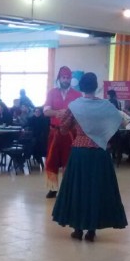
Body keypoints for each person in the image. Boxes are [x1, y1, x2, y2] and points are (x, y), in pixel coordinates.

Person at [52, 73, 127, 241]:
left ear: (81, 87)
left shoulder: (75, 106)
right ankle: (92, 230)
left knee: (79, 189)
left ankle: (78, 229)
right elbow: (120, 123)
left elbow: (63, 129)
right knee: (96, 190)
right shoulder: (106, 105)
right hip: (100, 152)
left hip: (80, 152)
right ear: (96, 86)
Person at [43, 66, 81, 198]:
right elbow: (46, 111)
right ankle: (53, 188)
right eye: (63, 77)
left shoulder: (77, 95)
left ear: (71, 79)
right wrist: (57, 113)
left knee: (69, 161)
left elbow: (80, 113)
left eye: (68, 78)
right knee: (51, 160)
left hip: (70, 133)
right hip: (55, 132)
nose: (66, 80)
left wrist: (70, 114)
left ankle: (67, 188)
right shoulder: (52, 93)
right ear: (59, 78)